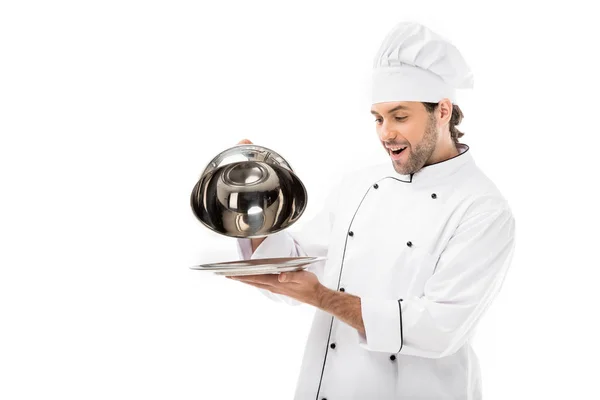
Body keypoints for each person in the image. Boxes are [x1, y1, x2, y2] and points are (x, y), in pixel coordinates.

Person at [225, 21, 516, 400]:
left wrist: (323, 298)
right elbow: (298, 265)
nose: (385, 133)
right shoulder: (359, 186)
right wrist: (255, 199)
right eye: (378, 118)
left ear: (443, 110)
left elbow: (440, 327)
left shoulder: (482, 208)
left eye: (400, 116)